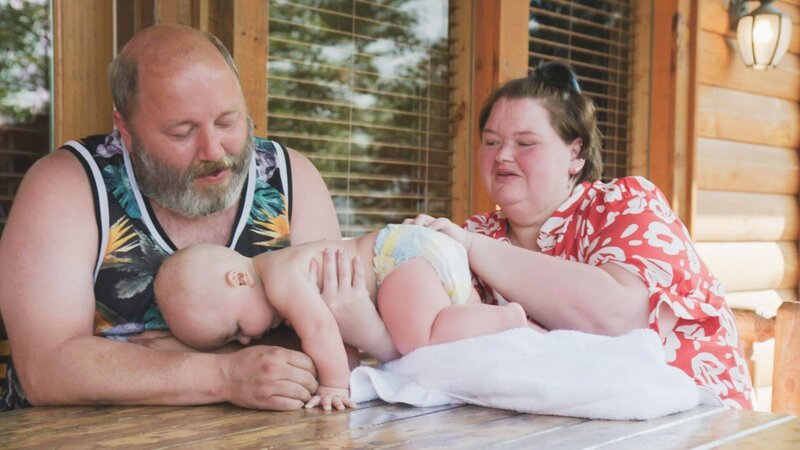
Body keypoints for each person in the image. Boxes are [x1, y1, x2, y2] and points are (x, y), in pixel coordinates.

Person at [332, 62, 754, 409]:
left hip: (696, 425)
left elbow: (618, 317)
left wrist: (474, 248)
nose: (503, 155)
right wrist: (363, 324)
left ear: (575, 153)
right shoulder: (475, 232)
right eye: (491, 141)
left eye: (525, 143)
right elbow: (440, 352)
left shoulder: (625, 204)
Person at [0, 24, 352, 411]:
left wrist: (179, 357)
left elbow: (344, 342)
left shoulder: (290, 179)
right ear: (126, 129)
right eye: (182, 132)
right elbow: (46, 369)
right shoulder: (68, 186)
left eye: (227, 121)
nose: (213, 150)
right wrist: (226, 374)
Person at [153, 224, 529, 410]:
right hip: (414, 253)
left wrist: (333, 386)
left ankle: (506, 319)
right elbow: (338, 336)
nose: (247, 340)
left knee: (420, 341)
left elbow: (321, 329)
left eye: (236, 330)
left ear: (238, 280)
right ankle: (506, 325)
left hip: (397, 258)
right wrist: (346, 369)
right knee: (448, 336)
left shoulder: (280, 278)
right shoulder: (282, 276)